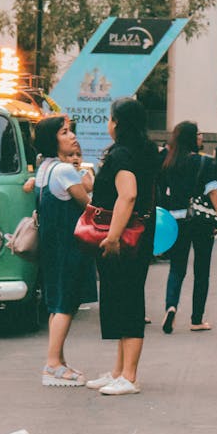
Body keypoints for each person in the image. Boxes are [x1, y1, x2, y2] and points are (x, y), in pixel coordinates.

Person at [86, 98, 159, 396]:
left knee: (127, 300)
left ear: (118, 122)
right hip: (139, 234)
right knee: (121, 297)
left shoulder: (122, 155)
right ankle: (119, 371)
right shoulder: (144, 151)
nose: (108, 123)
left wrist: (114, 236)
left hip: (124, 238)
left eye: (110, 118)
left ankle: (129, 376)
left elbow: (127, 196)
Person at [31, 115, 97, 387]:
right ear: (53, 140)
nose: (72, 136)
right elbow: (87, 204)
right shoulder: (64, 171)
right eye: (64, 132)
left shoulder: (45, 168)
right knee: (65, 305)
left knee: (56, 304)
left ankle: (58, 360)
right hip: (68, 245)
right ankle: (53, 365)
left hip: (51, 245)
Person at [158, 121, 217, 334]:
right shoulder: (204, 163)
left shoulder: (169, 163)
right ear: (191, 137)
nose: (201, 137)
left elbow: (163, 191)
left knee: (177, 267)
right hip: (201, 220)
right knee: (202, 270)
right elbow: (212, 191)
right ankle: (196, 319)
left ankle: (171, 305)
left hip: (177, 219)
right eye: (198, 134)